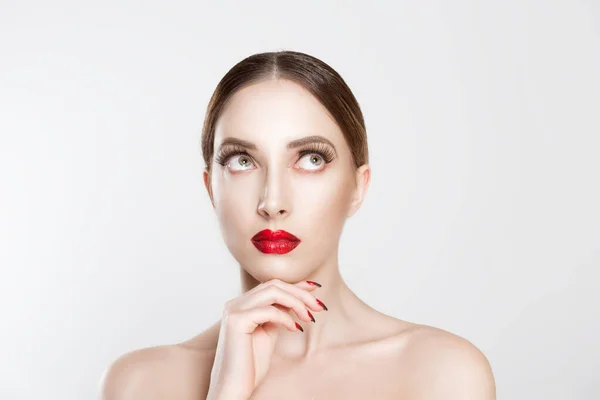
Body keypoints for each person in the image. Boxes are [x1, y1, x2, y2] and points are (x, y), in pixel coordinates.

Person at [99, 50, 496, 399]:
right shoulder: (141, 384)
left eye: (310, 159)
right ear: (210, 188)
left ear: (358, 187)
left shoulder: (442, 373)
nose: (272, 202)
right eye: (242, 160)